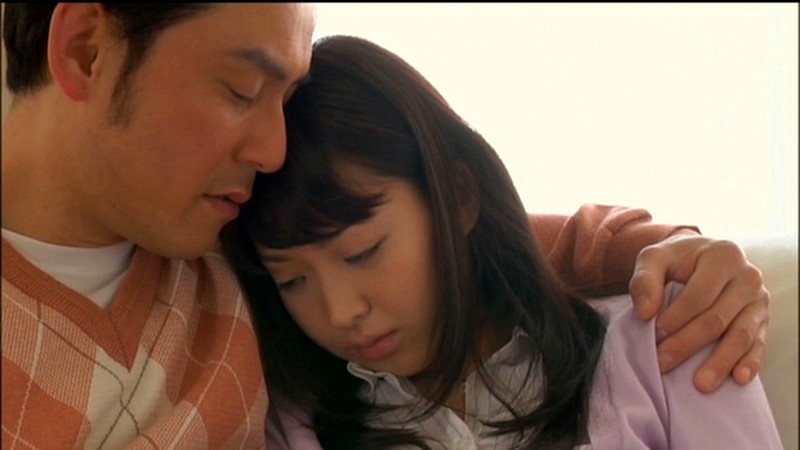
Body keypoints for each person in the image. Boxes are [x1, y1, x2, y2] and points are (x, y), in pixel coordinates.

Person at [0, 3, 770, 448]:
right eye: (240, 90)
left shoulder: (219, 235)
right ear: (86, 49)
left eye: (283, 100)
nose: (274, 149)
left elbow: (480, 241)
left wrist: (674, 258)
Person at [220, 35, 782, 449]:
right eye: (292, 280)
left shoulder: (672, 339)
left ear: (460, 199)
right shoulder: (293, 429)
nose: (341, 312)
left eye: (363, 252)